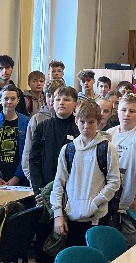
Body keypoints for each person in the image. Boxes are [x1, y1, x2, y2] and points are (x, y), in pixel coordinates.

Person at [50, 100, 121, 246]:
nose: (86, 126)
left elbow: (114, 182)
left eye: (91, 122)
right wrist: (58, 214)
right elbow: (59, 184)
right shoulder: (68, 150)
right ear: (76, 121)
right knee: (74, 256)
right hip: (72, 217)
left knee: (96, 256)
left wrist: (96, 203)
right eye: (82, 122)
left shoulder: (107, 148)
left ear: (99, 122)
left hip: (97, 217)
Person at [108, 94, 136, 244]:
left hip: (132, 201)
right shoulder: (109, 134)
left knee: (134, 246)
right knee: (113, 246)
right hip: (111, 203)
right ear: (117, 111)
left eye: (132, 111)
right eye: (124, 110)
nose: (127, 114)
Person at [28, 86, 78, 196]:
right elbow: (34, 159)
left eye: (66, 99)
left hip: (73, 189)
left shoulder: (79, 128)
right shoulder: (43, 127)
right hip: (45, 187)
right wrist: (38, 189)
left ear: (75, 104)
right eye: (58, 99)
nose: (61, 103)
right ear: (53, 102)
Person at [0, 86, 30, 187]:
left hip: (19, 177)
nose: (9, 101)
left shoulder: (26, 122)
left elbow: (28, 151)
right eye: (6, 98)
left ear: (18, 100)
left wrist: (17, 176)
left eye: (13, 98)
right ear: (0, 100)